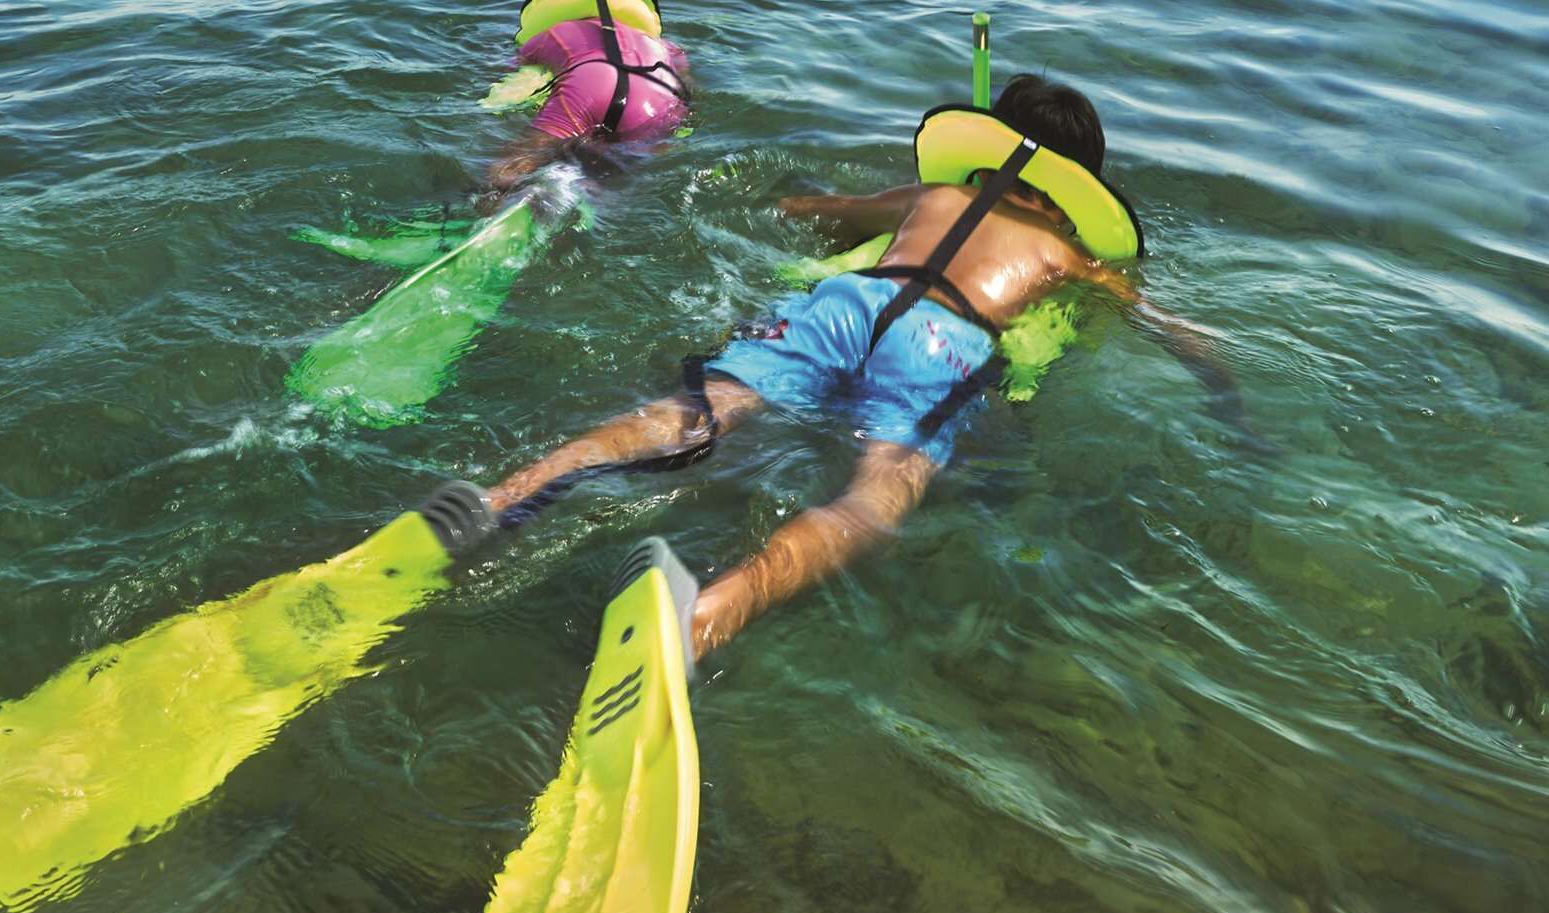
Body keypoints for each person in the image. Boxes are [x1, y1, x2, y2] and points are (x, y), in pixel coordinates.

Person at [478, 75, 1235, 655]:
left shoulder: (934, 193)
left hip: (849, 301)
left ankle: (506, 495)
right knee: (882, 489)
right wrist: (1218, 381)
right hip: (946, 341)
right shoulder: (1065, 253)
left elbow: (820, 212)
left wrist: (788, 204)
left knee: (701, 409)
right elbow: (1161, 324)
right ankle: (718, 608)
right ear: (1078, 184)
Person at [484, 0, 691, 193]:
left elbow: (514, 70)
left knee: (512, 166)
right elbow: (686, 85)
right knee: (613, 166)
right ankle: (585, 192)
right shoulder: (667, 46)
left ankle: (480, 205)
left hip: (589, 92)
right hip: (655, 105)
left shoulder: (555, 31)